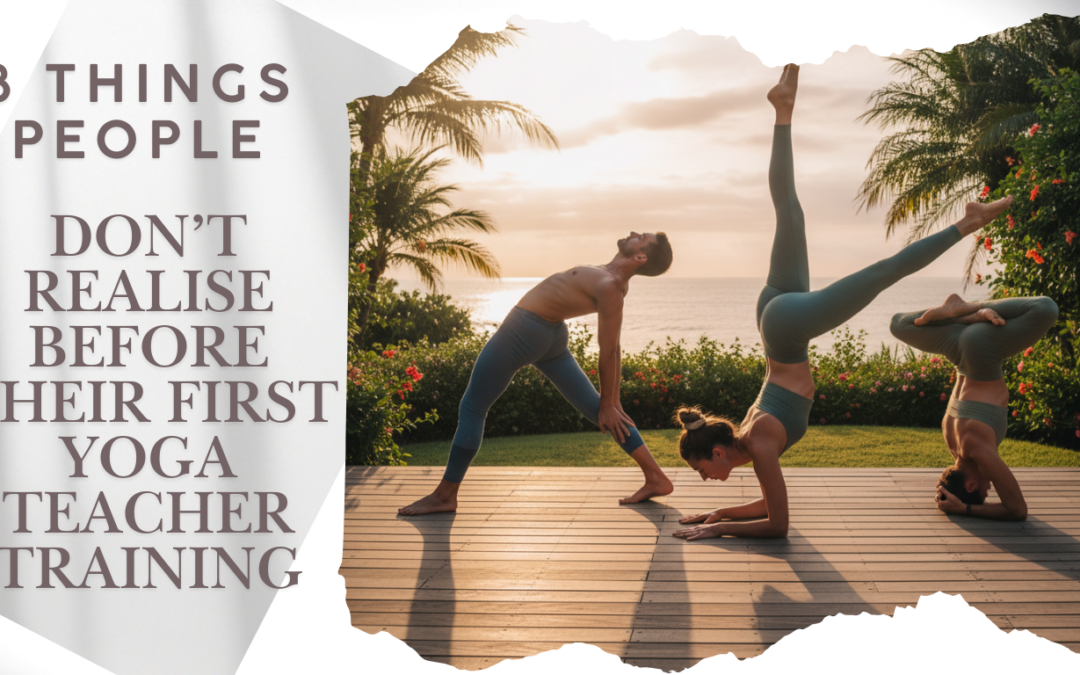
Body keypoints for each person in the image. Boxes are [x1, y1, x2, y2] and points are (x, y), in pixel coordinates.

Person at [672, 63, 1015, 540]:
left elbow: (778, 525)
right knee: (789, 212)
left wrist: (718, 531)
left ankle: (969, 221)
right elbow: (768, 505)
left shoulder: (761, 442)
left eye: (700, 470)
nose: (704, 478)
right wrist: (719, 515)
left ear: (716, 454)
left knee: (883, 273)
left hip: (787, 331)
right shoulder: (750, 441)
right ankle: (783, 110)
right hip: (773, 317)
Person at [398, 231, 676, 516]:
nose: (634, 233)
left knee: (472, 407)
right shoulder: (608, 276)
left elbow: (609, 349)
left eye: (641, 237)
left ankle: (445, 496)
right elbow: (614, 349)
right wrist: (610, 402)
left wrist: (610, 403)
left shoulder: (611, 285)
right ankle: (656, 477)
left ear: (640, 257)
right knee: (602, 410)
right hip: (550, 335)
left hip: (524, 332)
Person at [890, 294, 1058, 520]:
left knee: (1045, 308)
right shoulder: (952, 441)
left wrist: (963, 508)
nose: (990, 485)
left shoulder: (978, 450)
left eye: (986, 490)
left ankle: (973, 308)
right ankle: (963, 316)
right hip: (955, 349)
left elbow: (1017, 510)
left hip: (981, 350)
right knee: (898, 324)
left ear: (971, 486)